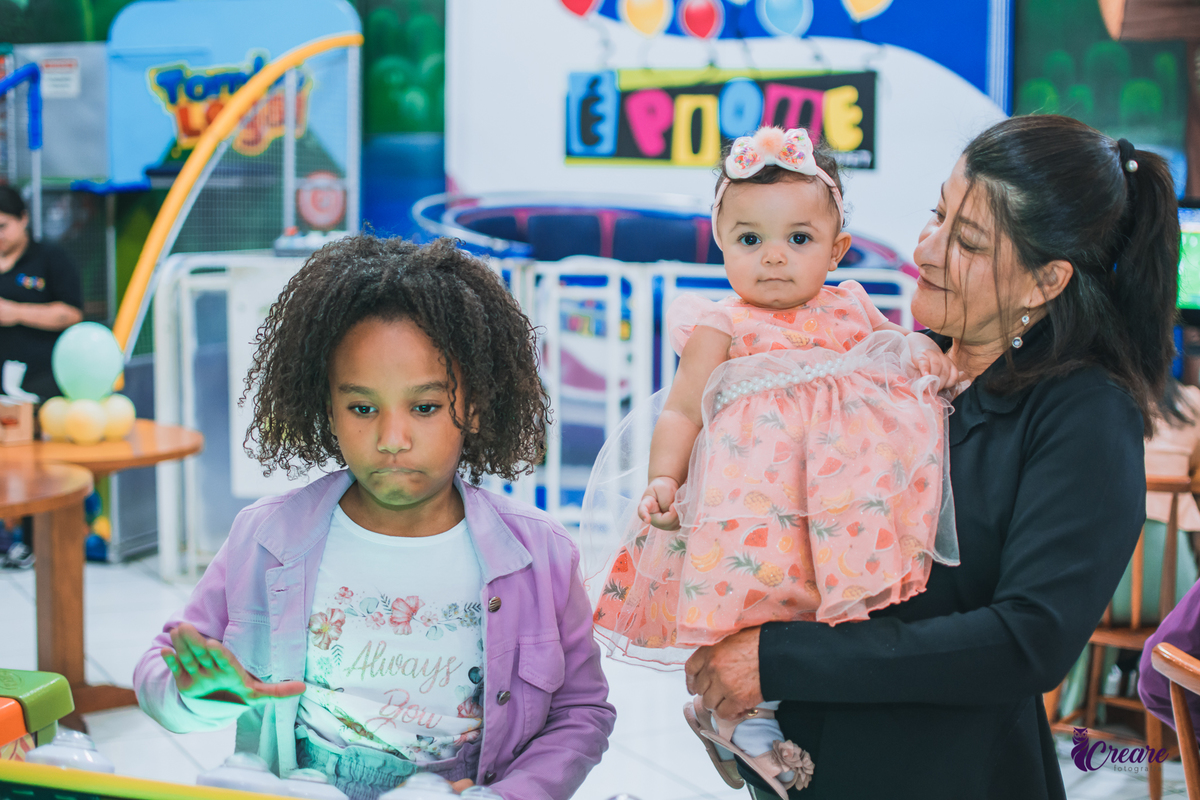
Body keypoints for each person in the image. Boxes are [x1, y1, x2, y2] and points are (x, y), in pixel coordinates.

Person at [681, 115, 1175, 799]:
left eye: (967, 241)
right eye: (937, 213)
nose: (927, 250)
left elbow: (1026, 641)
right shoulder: (888, 366)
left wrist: (776, 660)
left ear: (1046, 280)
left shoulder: (1082, 414)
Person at [133, 236, 615, 800]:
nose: (392, 440)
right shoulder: (268, 537)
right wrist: (198, 695)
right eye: (363, 408)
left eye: (425, 407)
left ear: (476, 407)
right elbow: (159, 675)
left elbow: (581, 712)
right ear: (327, 409)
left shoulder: (541, 554)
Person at [586, 127, 960, 799]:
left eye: (799, 239)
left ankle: (775, 705)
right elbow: (681, 412)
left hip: (834, 504)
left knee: (824, 606)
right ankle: (742, 717)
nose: (774, 259)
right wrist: (663, 479)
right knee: (754, 606)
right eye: (751, 239)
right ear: (722, 243)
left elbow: (889, 355)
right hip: (751, 511)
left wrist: (919, 353)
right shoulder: (721, 323)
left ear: (837, 246)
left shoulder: (850, 304)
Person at [0, 185, 83, 400]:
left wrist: (16, 312)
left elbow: (72, 313)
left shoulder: (50, 258)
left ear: (23, 219)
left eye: (3, 226)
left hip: (42, 378)